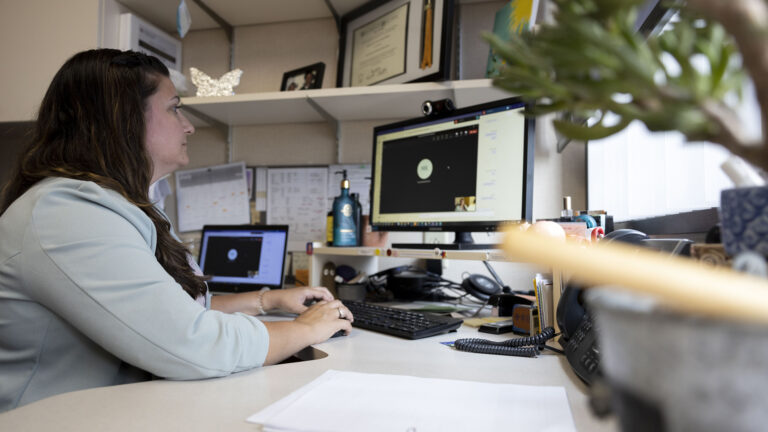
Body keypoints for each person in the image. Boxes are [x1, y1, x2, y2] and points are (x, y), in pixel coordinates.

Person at [0, 49, 353, 412]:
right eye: (174, 108)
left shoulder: (116, 206)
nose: (189, 125)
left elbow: (170, 308)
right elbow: (193, 344)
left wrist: (268, 300)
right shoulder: (66, 214)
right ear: (124, 120)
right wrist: (305, 330)